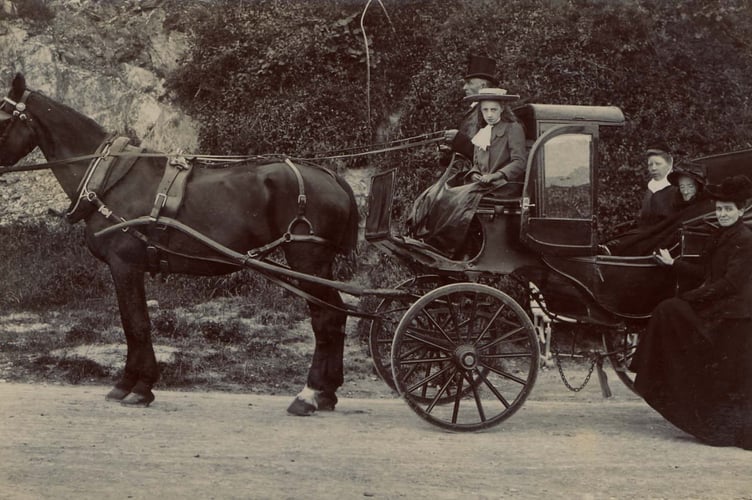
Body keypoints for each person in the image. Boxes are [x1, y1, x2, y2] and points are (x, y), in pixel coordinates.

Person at [630, 174, 752, 450]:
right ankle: (648, 370)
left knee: (671, 309)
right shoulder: (720, 235)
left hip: (734, 317)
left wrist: (691, 298)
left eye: (728, 209)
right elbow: (704, 273)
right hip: (721, 307)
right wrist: (673, 264)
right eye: (719, 209)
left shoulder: (745, 240)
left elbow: (729, 284)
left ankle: (646, 370)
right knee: (668, 308)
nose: (722, 214)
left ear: (740, 211)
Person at [408, 88, 526, 258]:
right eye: (485, 110)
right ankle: (424, 235)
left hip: (503, 185)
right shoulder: (484, 131)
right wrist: (474, 173)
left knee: (454, 198)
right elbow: (476, 162)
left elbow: (519, 162)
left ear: (502, 108)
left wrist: (496, 175)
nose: (489, 114)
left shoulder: (513, 128)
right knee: (437, 192)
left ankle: (449, 247)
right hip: (483, 183)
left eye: (493, 109)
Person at [605, 162, 714, 256]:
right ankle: (613, 247)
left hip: (674, 240)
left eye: (690, 186)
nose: (685, 191)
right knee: (640, 233)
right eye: (682, 187)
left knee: (650, 241)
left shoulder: (704, 207)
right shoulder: (677, 201)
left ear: (698, 187)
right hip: (660, 231)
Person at [443, 55, 499, 160]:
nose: (464, 87)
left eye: (469, 83)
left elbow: (488, 153)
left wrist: (458, 139)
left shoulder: (491, 113)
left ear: (483, 86)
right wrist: (450, 151)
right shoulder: (475, 109)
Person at [637, 142, 680, 227]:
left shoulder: (676, 189)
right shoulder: (650, 188)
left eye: (658, 164)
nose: (653, 168)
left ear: (669, 164)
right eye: (650, 165)